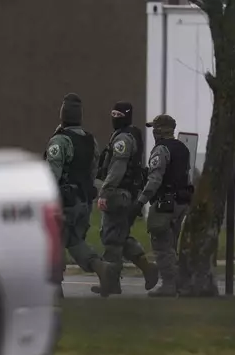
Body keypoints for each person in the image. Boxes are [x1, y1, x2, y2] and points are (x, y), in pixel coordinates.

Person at [44, 93, 114, 297]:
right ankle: (101, 267)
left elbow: (52, 177)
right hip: (84, 201)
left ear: (63, 115)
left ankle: (55, 288)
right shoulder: (90, 140)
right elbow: (94, 171)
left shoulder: (59, 141)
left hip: (64, 202)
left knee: (53, 242)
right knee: (74, 241)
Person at [91, 101, 159, 295]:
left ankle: (112, 282)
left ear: (126, 116)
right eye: (112, 113)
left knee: (112, 238)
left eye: (118, 115)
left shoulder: (123, 139)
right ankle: (147, 269)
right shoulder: (125, 136)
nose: (114, 118)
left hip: (118, 193)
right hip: (122, 192)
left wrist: (105, 191)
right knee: (119, 236)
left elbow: (117, 169)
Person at [129, 114, 194, 297]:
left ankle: (169, 285)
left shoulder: (161, 149)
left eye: (154, 129)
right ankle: (182, 284)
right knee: (172, 244)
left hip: (165, 204)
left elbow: (155, 180)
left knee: (161, 245)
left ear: (159, 130)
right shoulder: (183, 148)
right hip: (181, 203)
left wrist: (140, 202)